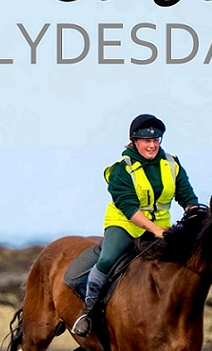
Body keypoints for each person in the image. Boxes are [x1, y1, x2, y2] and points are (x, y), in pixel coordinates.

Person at [73, 112, 201, 338]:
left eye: (155, 140)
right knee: (108, 259)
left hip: (163, 227)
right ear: (134, 141)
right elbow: (130, 209)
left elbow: (186, 195)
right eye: (146, 141)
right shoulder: (122, 169)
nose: (151, 146)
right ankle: (89, 312)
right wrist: (156, 231)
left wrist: (193, 212)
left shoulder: (172, 163)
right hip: (125, 225)